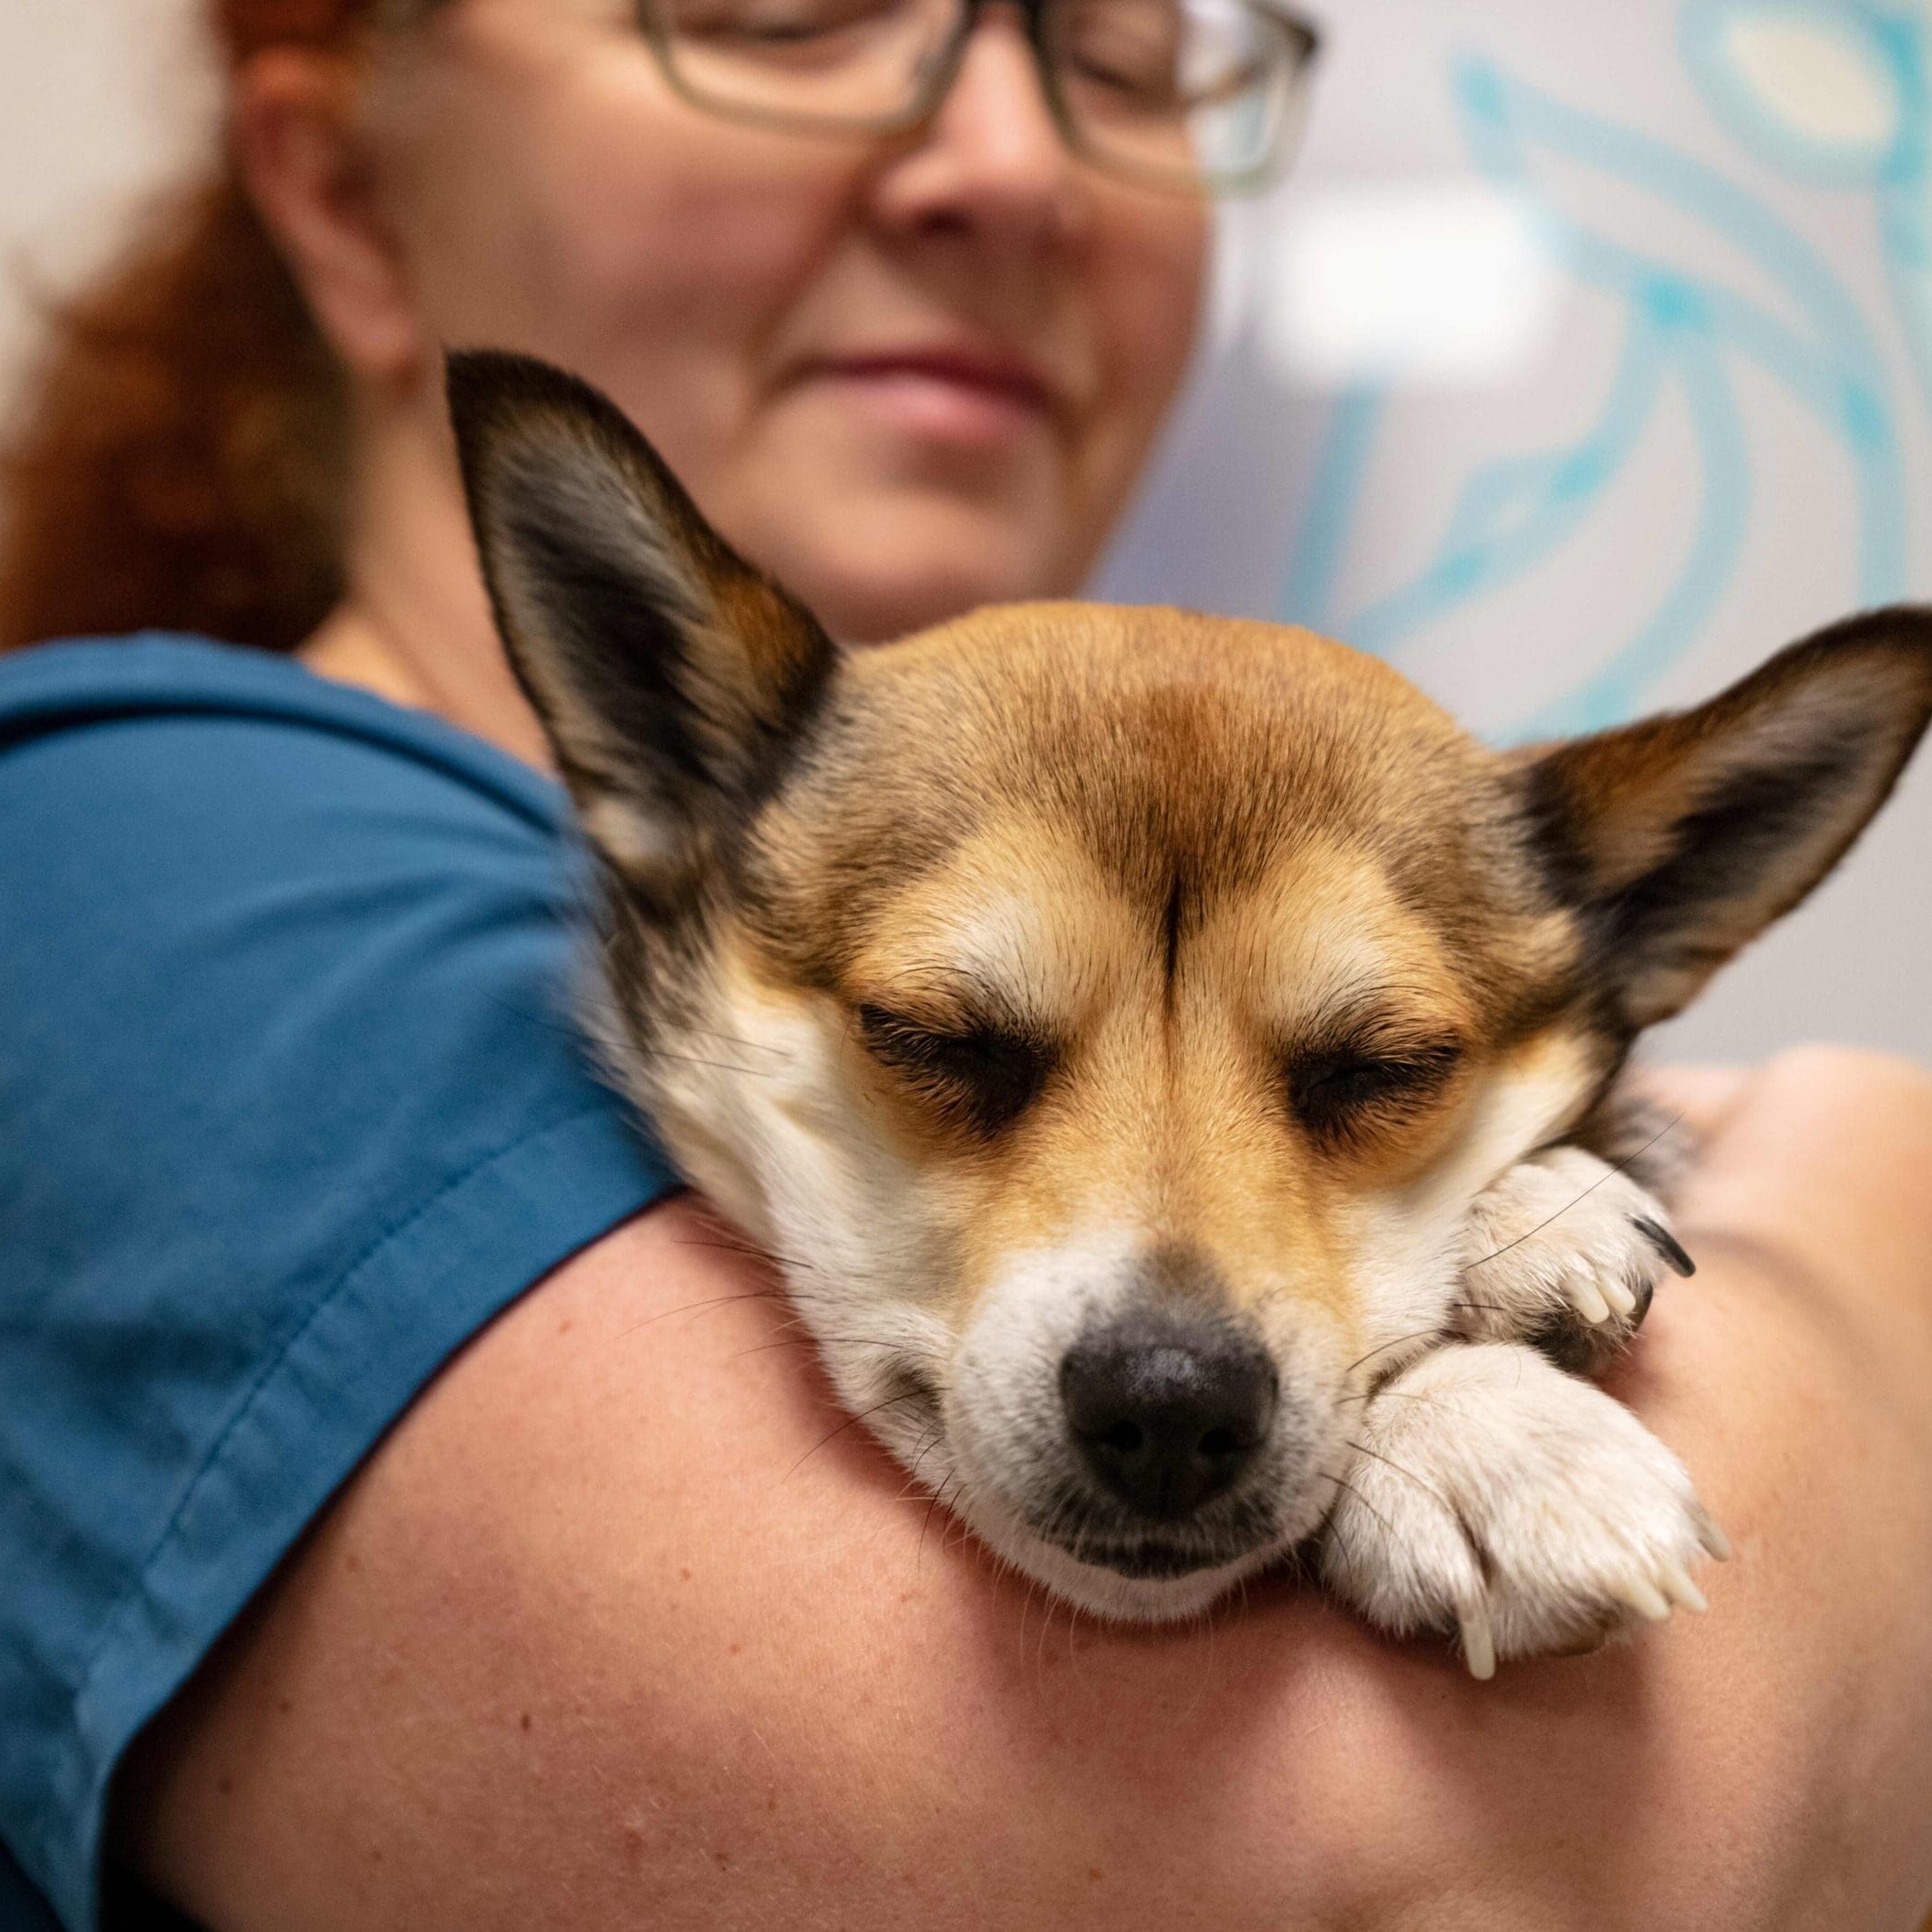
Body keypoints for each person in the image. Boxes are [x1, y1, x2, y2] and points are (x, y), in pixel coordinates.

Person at [1, 2, 1928, 1928]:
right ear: (343, 191)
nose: (1012, 162)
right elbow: (1479, 1889)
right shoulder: (132, 872)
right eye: (788, 14)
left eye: (1122, 56)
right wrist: (1867, 1187)